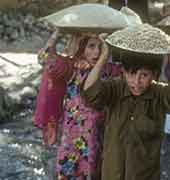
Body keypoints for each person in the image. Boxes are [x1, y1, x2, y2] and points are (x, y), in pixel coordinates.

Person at [81, 39, 170, 180]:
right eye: (131, 74)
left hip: (144, 174)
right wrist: (104, 55)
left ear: (155, 75)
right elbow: (89, 93)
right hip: (112, 172)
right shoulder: (115, 88)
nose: (136, 82)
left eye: (144, 75)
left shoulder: (160, 93)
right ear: (123, 72)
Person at [34, 29, 123, 179]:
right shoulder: (72, 67)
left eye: (101, 47)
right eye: (91, 46)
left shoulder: (111, 70)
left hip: (101, 135)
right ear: (82, 48)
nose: (97, 52)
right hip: (73, 138)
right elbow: (44, 58)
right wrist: (58, 32)